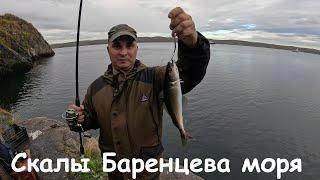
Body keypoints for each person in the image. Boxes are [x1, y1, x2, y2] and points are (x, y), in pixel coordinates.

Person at [68, 7, 210, 180]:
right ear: (108, 49)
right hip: (114, 172)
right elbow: (91, 120)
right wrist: (80, 119)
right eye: (116, 46)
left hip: (147, 173)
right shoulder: (95, 88)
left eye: (129, 45)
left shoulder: (155, 78)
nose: (123, 52)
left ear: (137, 48)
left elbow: (190, 72)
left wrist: (192, 44)